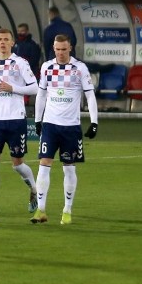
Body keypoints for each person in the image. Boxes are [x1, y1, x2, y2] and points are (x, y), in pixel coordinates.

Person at [32, 34, 98, 225]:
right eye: (57, 49)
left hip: (71, 127)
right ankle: (41, 210)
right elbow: (42, 94)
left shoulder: (79, 69)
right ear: (53, 48)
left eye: (64, 49)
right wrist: (38, 120)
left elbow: (90, 96)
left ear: (70, 48)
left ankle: (67, 210)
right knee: (44, 164)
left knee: (69, 168)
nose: (60, 53)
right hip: (50, 125)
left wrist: (94, 122)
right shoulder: (47, 67)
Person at [0, 28, 40, 214]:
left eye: (6, 39)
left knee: (17, 164)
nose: (2, 42)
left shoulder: (20, 63)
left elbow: (35, 88)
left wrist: (13, 88)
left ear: (12, 43)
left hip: (16, 120)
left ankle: (34, 188)